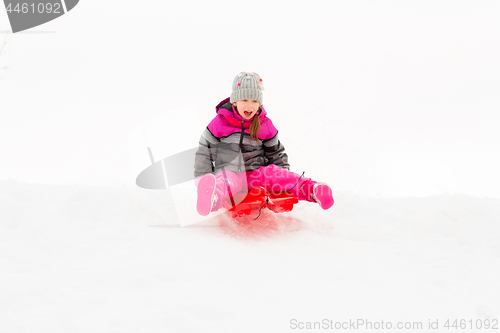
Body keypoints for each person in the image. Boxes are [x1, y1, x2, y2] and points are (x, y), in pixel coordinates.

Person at [194, 71, 334, 216]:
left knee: (275, 175)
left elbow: (275, 152)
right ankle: (212, 195)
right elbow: (205, 151)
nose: (250, 106)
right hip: (231, 172)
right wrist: (202, 177)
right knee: (225, 181)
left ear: (260, 103)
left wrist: (281, 175)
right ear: (234, 101)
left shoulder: (264, 124)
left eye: (254, 101)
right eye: (245, 100)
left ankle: (313, 190)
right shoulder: (219, 123)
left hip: (257, 173)